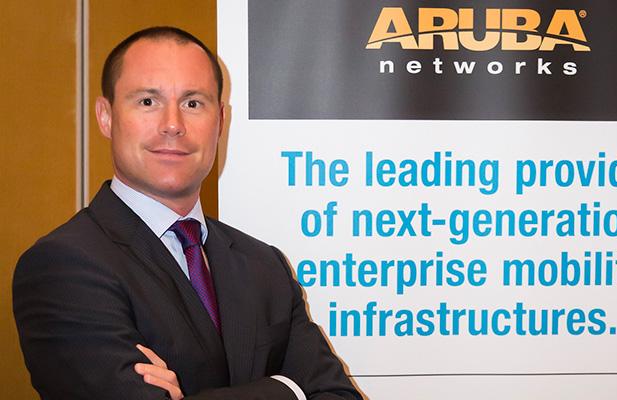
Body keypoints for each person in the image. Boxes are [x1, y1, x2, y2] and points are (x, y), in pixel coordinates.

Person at [13, 26, 362, 400]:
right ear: (106, 116)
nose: (173, 125)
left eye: (193, 103)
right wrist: (288, 390)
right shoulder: (64, 265)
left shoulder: (264, 265)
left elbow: (338, 395)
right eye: (148, 101)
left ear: (220, 121)